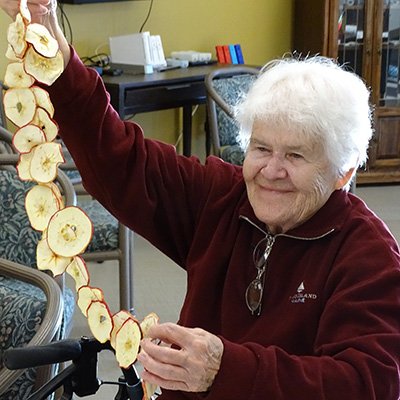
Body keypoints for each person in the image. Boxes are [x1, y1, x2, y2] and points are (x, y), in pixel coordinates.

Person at [1, 1, 400, 398]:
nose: (271, 171)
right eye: (261, 148)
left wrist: (225, 369)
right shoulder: (223, 198)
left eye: (295, 156)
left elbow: (369, 383)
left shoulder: (367, 255)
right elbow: (119, 158)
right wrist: (46, 32)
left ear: (343, 173)